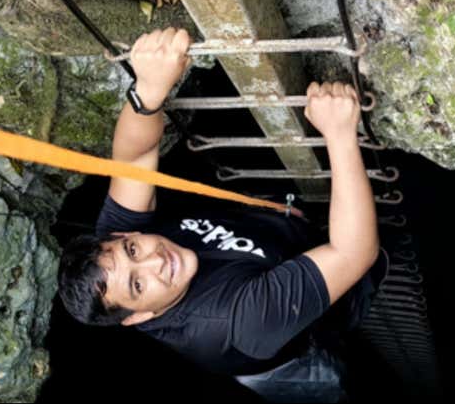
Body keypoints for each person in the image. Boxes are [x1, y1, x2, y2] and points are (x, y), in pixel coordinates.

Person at [57, 27, 385, 375]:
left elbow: (134, 158)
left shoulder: (116, 247)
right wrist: (339, 135)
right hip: (307, 328)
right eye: (138, 285)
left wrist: (148, 91)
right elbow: (354, 253)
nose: (155, 261)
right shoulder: (239, 322)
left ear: (123, 238)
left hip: (279, 237)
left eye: (134, 251)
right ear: (139, 317)